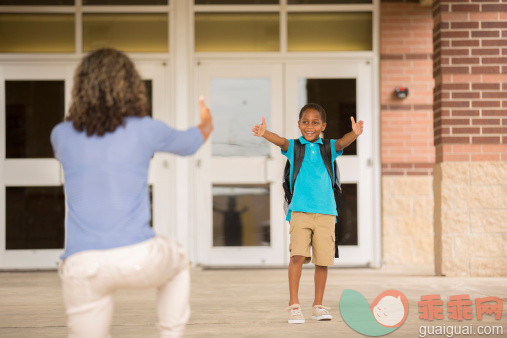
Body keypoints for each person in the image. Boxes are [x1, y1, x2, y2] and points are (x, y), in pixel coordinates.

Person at [51, 48, 213, 338]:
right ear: (131, 87)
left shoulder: (60, 134)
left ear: (80, 88)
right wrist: (206, 121)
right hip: (138, 257)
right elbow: (191, 143)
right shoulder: (145, 129)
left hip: (82, 263)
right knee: (177, 259)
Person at [251, 103, 363, 324]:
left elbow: (342, 142)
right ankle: (294, 305)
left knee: (322, 261)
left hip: (326, 213)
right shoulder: (295, 147)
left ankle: (318, 306)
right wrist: (265, 134)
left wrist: (354, 133)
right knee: (297, 257)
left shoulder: (329, 147)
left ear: (323, 125)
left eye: (314, 122)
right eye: (305, 122)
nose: (309, 126)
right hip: (300, 211)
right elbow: (281, 141)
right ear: (299, 124)